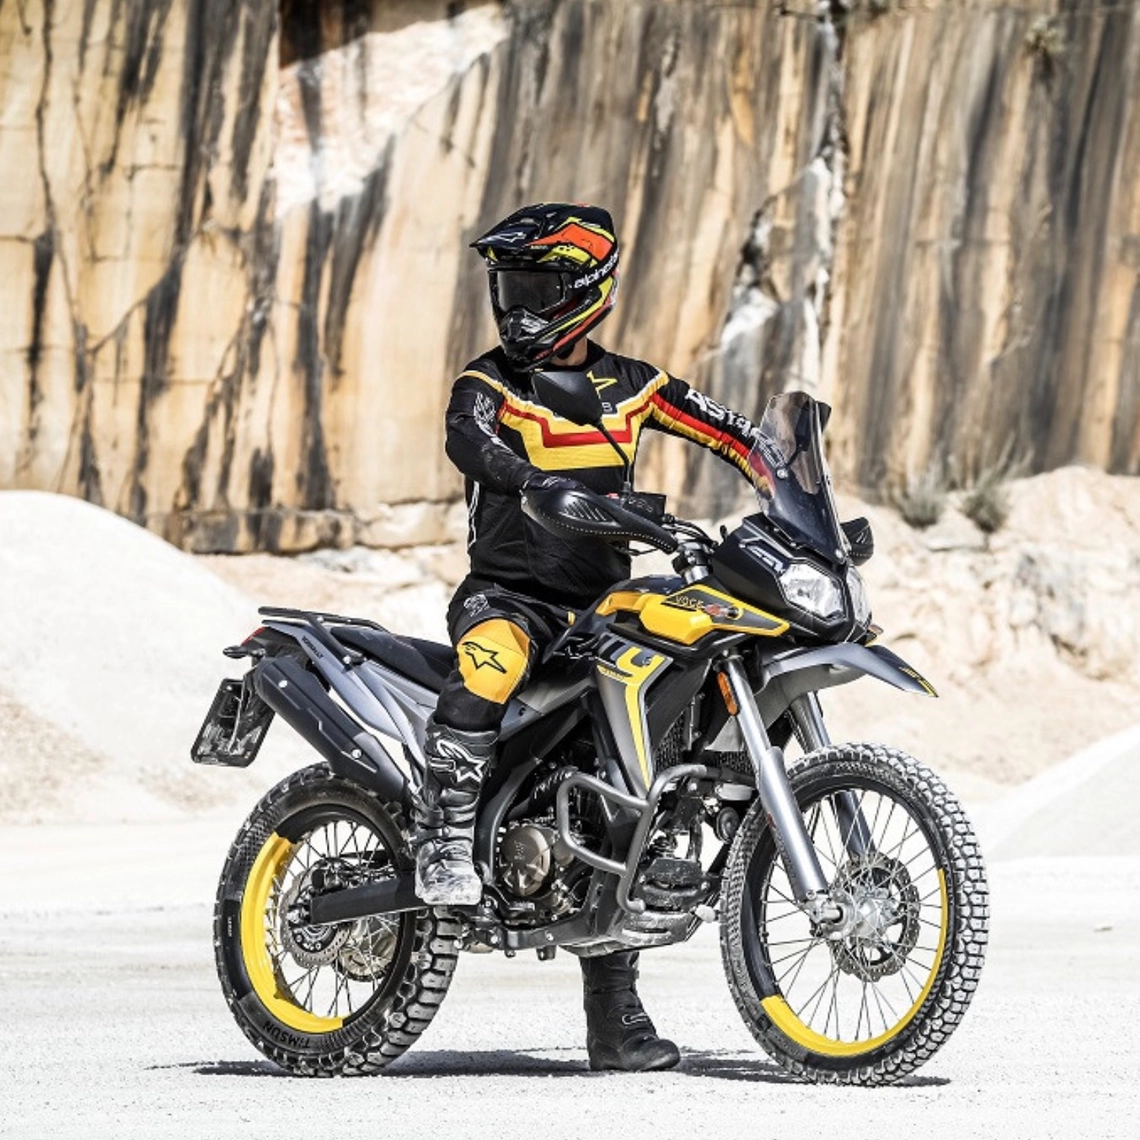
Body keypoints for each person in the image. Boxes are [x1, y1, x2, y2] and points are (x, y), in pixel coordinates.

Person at [412, 202, 762, 1072]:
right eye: (509, 287)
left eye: (536, 287)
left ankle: (616, 1021)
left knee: (620, 801)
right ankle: (444, 837)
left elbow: (735, 434)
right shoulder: (488, 383)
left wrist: (786, 471)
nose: (517, 306)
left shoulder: (636, 386)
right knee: (490, 666)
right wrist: (527, 478)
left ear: (586, 291)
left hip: (603, 610)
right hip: (510, 597)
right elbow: (467, 441)